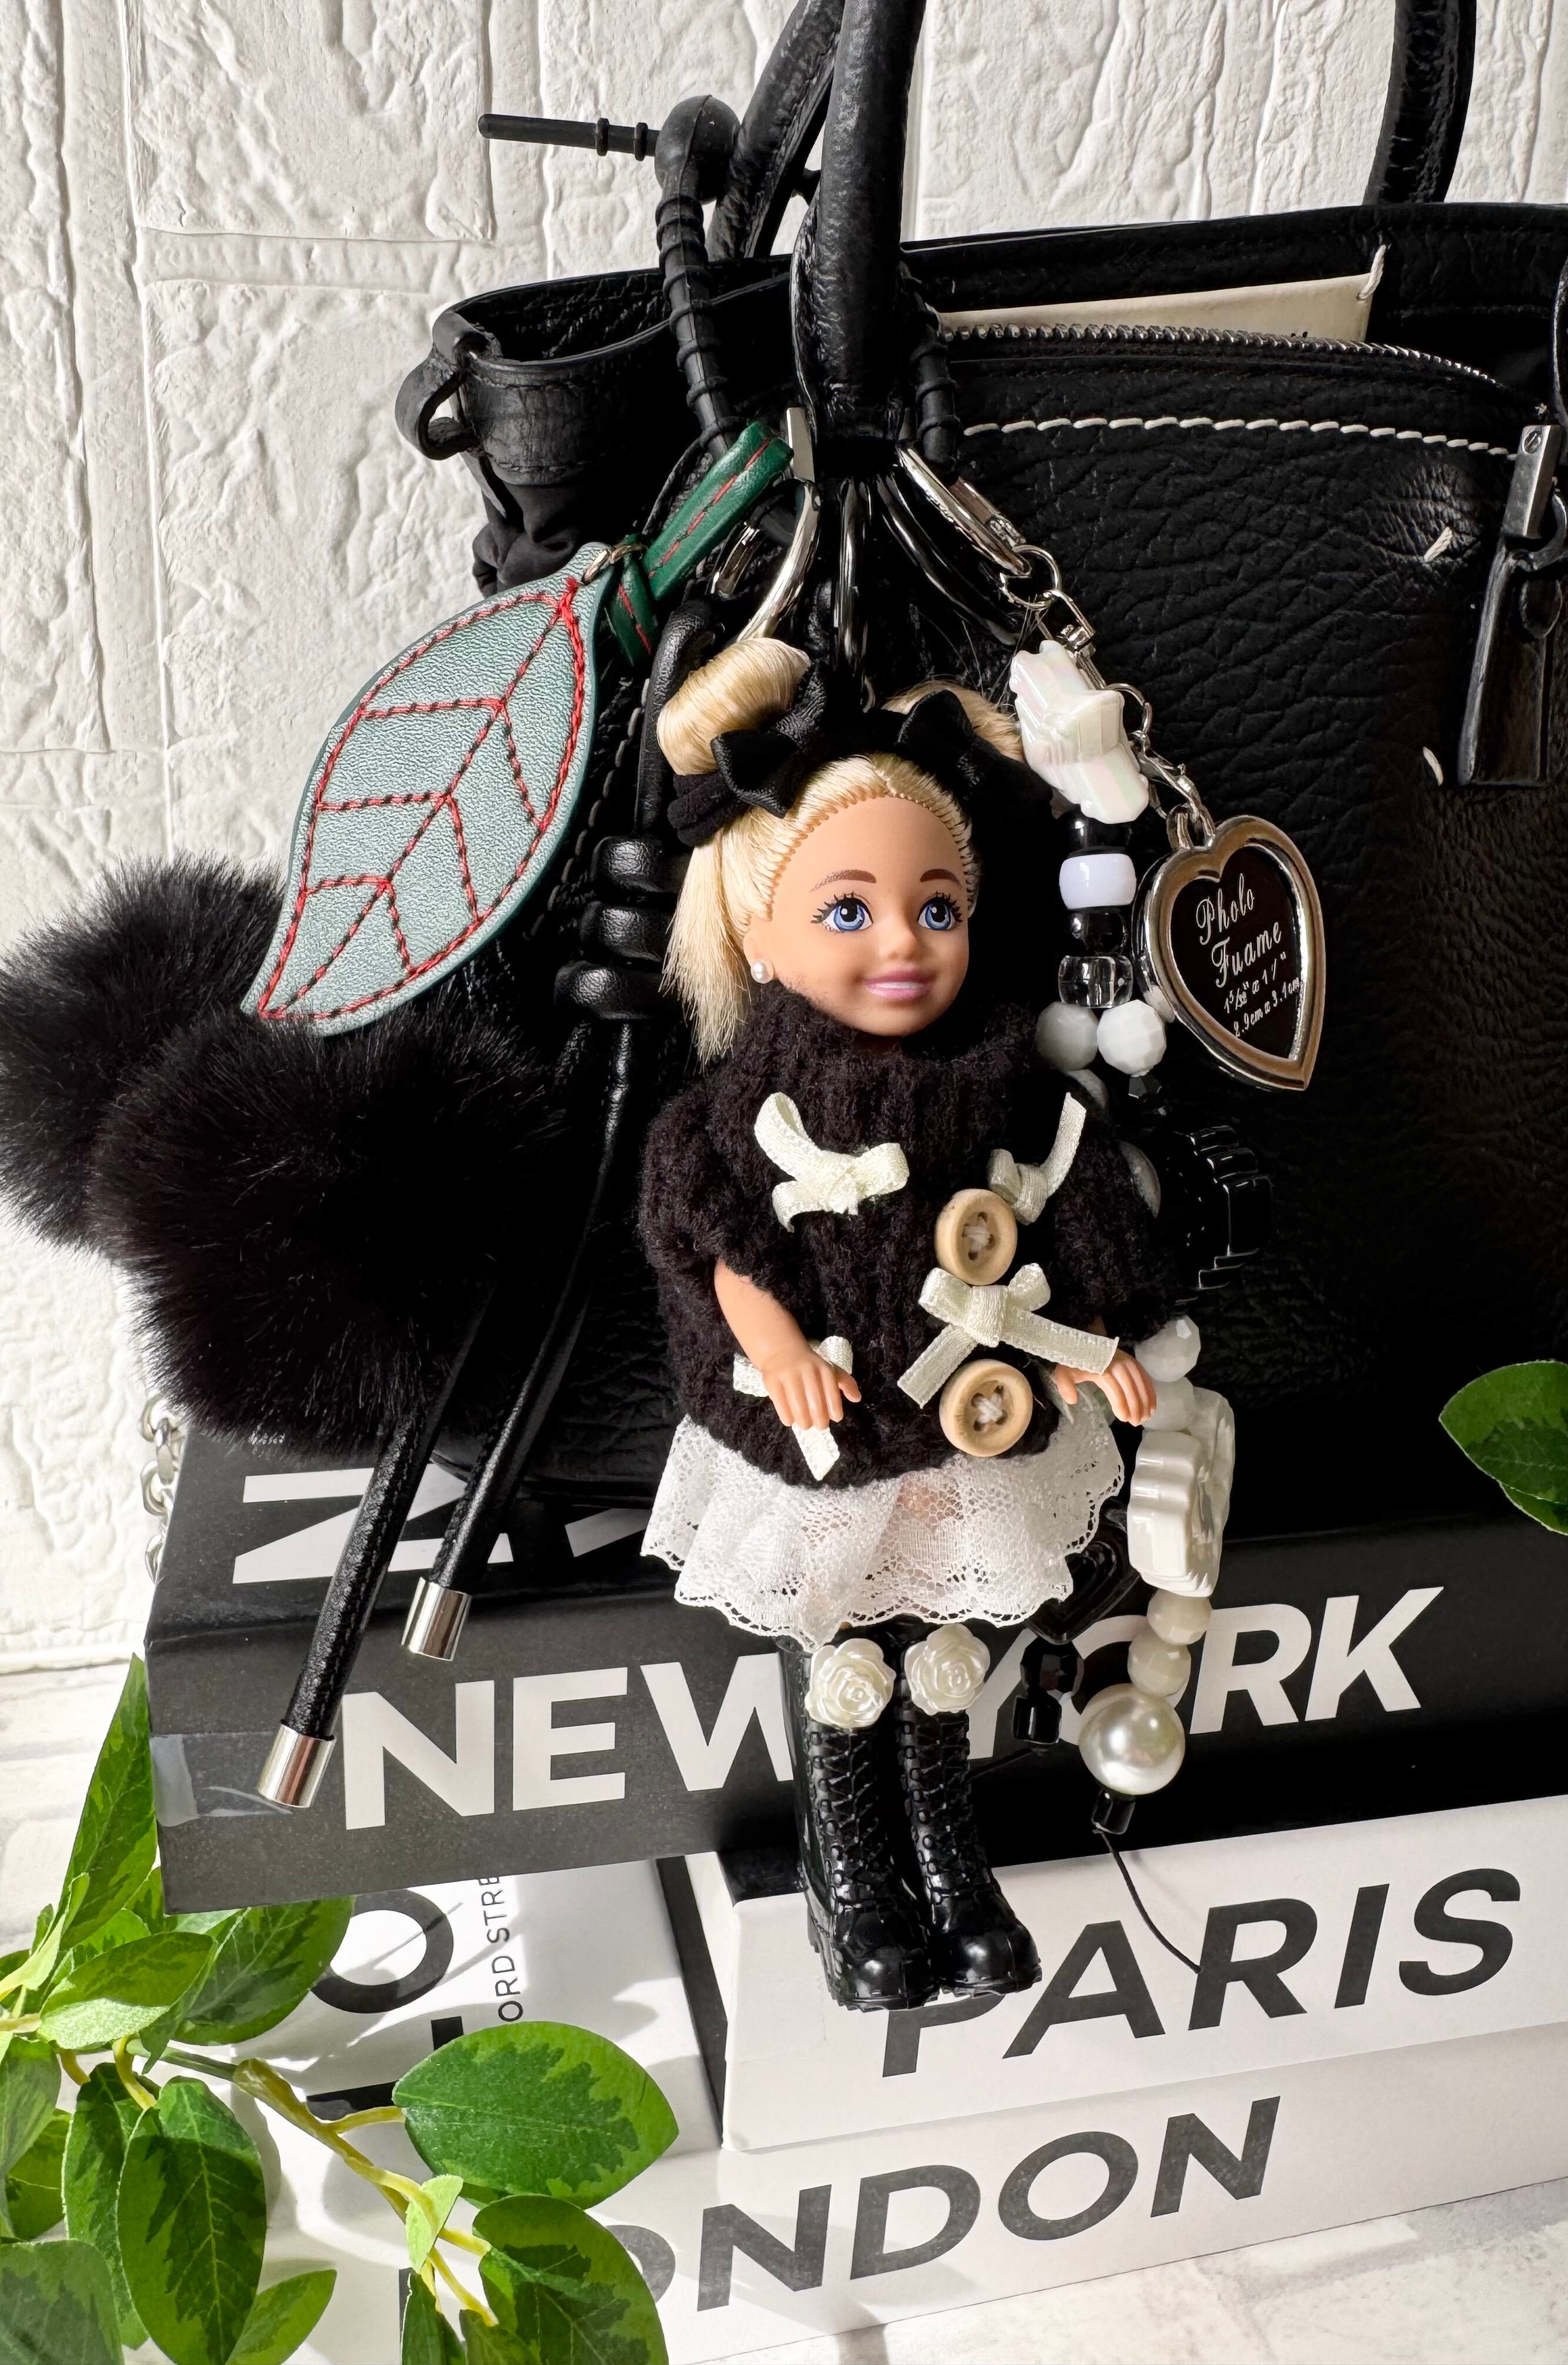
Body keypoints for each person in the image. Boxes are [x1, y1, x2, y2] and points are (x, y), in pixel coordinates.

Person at [639, 637, 1176, 2011]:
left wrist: (1097, 1342)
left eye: (937, 908)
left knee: (944, 1655)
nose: (902, 943)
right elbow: (718, 1243)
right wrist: (770, 1347)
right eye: (849, 910)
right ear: (759, 936)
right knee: (846, 1660)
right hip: (828, 1438)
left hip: (966, 1431)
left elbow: (1066, 1209)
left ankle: (950, 1852)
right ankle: (854, 1870)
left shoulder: (1005, 1082)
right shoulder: (740, 1114)